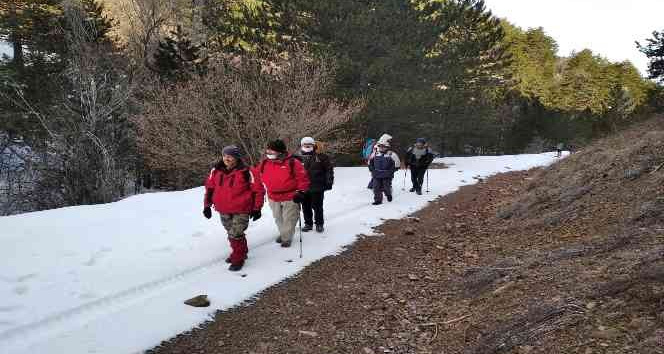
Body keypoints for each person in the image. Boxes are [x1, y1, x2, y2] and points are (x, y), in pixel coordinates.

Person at [203, 145, 265, 271]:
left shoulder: (247, 171)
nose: (227, 158)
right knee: (231, 232)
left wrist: (257, 208)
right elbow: (209, 188)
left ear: (236, 157)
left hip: (242, 208)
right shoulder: (215, 170)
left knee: (235, 234)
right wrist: (207, 205)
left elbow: (258, 190)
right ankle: (242, 251)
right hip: (223, 208)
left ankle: (238, 258)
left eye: (230, 156)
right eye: (225, 155)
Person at [258, 139, 310, 247]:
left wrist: (301, 192)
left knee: (289, 218)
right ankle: (284, 233)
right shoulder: (264, 163)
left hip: (290, 196)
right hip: (273, 196)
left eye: (271, 151)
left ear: (280, 151)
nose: (268, 153)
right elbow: (257, 175)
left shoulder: (293, 162)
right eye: (268, 150)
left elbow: (303, 178)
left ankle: (286, 238)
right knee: (278, 218)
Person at [293, 137, 334, 233]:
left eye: (309, 145)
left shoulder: (321, 157)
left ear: (313, 145)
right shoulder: (296, 158)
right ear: (301, 145)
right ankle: (308, 223)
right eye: (305, 145)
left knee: (317, 206)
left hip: (317, 186)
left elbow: (329, 170)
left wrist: (329, 181)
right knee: (305, 206)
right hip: (303, 187)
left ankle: (319, 224)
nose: (307, 146)